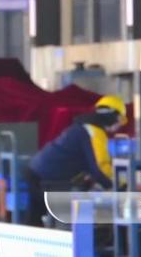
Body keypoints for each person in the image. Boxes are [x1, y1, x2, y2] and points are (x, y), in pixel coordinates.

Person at [27, 95, 127, 225]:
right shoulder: (94, 132)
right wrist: (123, 184)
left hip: (38, 172)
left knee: (35, 221)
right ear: (114, 116)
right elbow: (100, 168)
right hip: (47, 178)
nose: (119, 125)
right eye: (120, 120)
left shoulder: (84, 127)